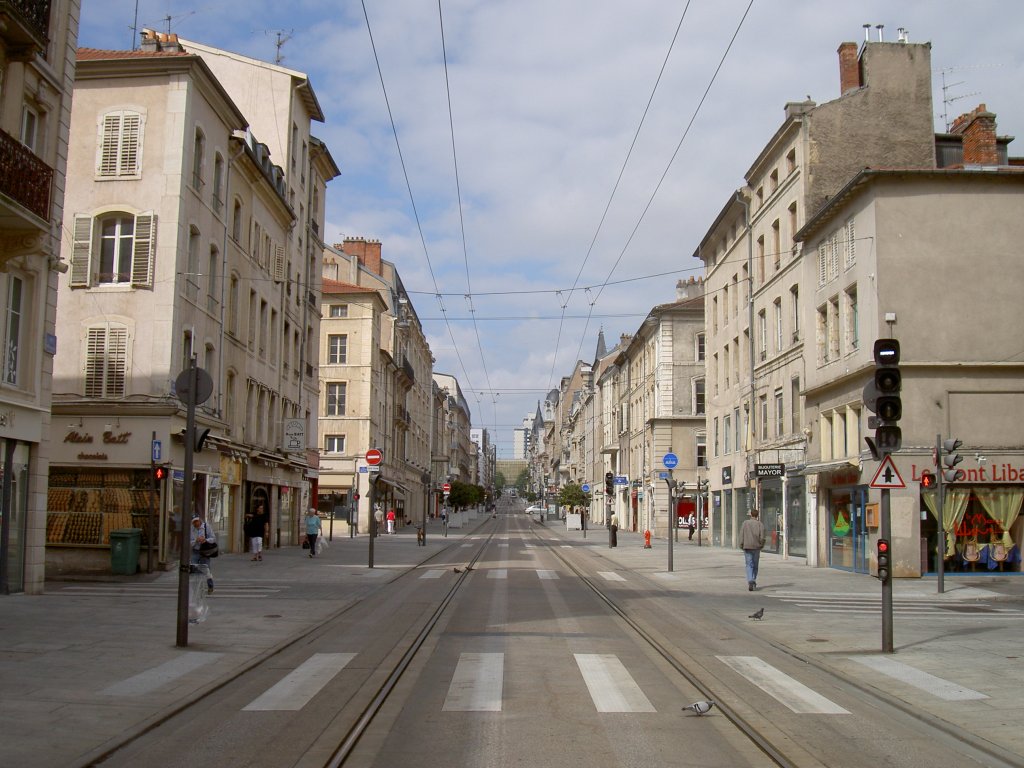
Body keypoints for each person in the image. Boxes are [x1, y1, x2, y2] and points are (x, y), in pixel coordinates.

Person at [740, 508, 766, 591]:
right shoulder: (760, 524)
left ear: (751, 514)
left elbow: (741, 534)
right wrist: (761, 545)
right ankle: (753, 579)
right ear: (757, 515)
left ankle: (750, 579)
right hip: (756, 547)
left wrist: (741, 544)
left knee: (749, 564)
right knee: (755, 565)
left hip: (747, 546)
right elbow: (762, 537)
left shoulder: (745, 523)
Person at [189, 514, 216, 594]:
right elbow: (190, 542)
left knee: (206, 569)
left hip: (205, 551)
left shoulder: (206, 527)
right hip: (195, 551)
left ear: (200, 520)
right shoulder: (191, 529)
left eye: (197, 521)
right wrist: (196, 541)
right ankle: (198, 588)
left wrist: (205, 540)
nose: (196, 523)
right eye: (194, 522)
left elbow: (213, 539)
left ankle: (210, 586)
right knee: (194, 569)